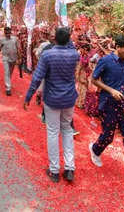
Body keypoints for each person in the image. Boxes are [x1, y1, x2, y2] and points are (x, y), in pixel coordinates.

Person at [22, 27, 79, 183]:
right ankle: (69, 168)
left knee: (53, 132)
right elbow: (71, 46)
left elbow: (37, 78)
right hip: (69, 99)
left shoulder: (47, 55)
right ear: (68, 40)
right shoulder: (75, 54)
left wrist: (28, 96)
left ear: (54, 39)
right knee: (67, 130)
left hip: (52, 99)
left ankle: (54, 171)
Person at [88, 35, 124, 191]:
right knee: (108, 135)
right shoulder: (105, 60)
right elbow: (94, 79)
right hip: (109, 104)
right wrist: (111, 91)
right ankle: (96, 149)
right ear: (117, 47)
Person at [0, 26, 20, 96]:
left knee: (10, 73)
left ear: (10, 32)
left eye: (9, 32)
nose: (8, 34)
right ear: (4, 33)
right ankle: (8, 88)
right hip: (5, 58)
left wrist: (19, 58)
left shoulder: (15, 39)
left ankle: (8, 82)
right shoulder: (2, 40)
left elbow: (19, 49)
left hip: (13, 58)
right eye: (6, 33)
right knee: (7, 72)